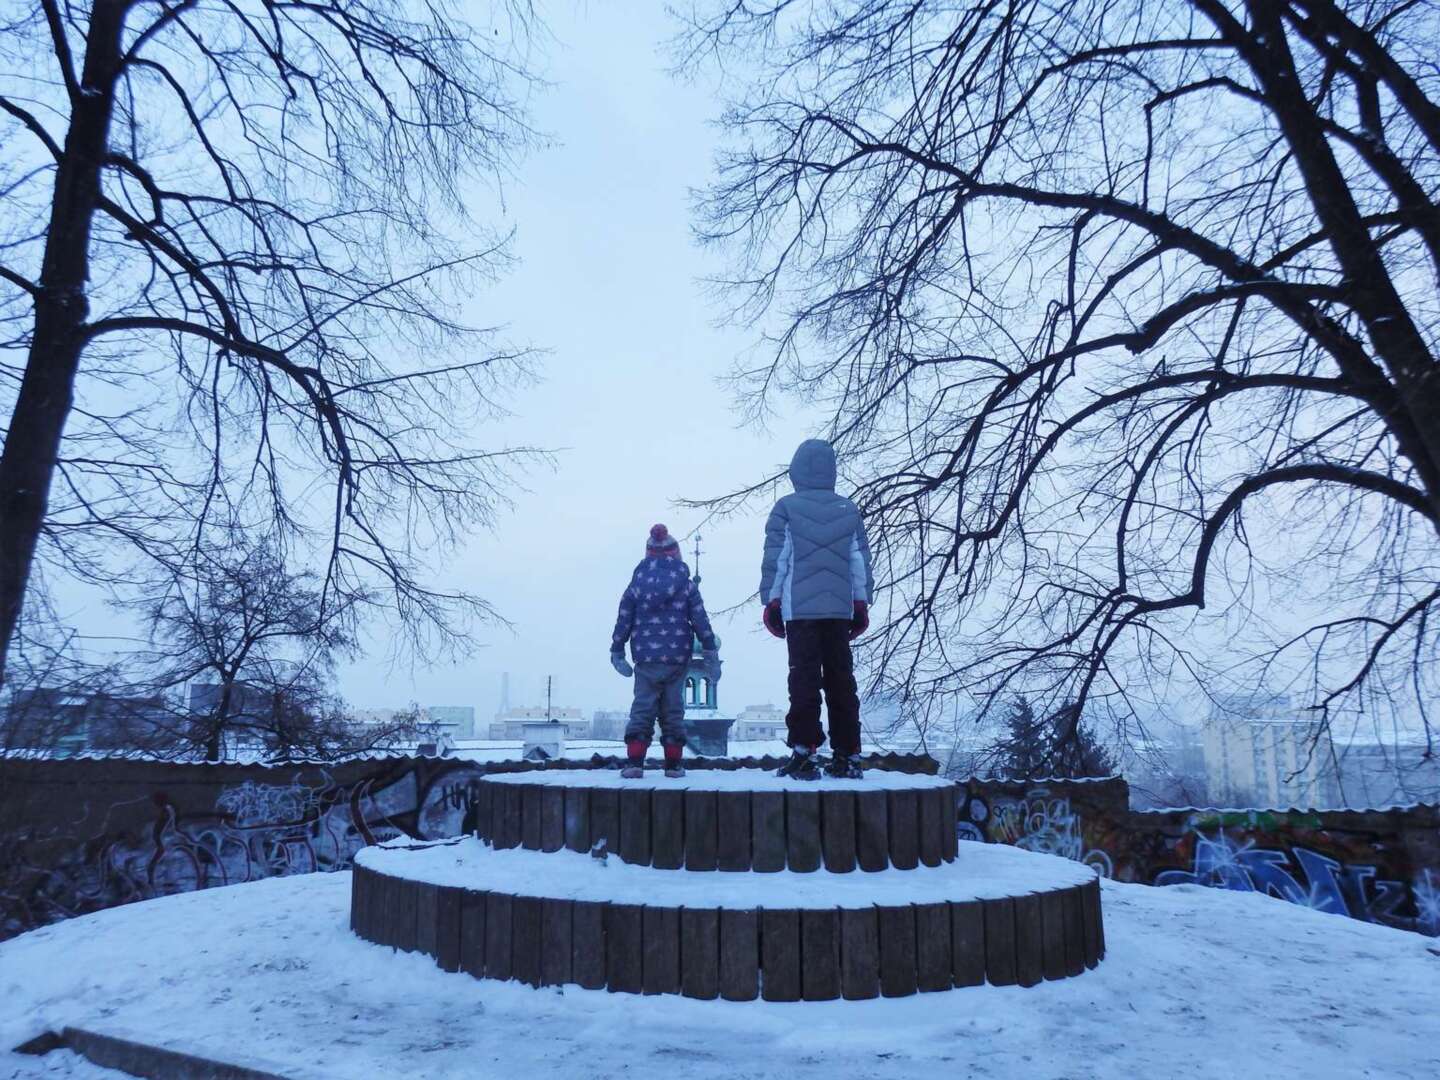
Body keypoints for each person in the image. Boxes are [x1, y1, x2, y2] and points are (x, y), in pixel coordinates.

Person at [758, 439, 874, 780]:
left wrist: (772, 601)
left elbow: (777, 560)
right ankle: (848, 755)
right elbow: (858, 561)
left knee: (804, 680)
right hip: (838, 611)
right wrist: (860, 602)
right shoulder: (848, 509)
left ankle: (804, 753)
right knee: (842, 680)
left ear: (796, 471)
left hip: (800, 612)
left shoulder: (786, 508)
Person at [610, 524, 721, 778]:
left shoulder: (636, 585)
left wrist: (617, 650)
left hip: (646, 657)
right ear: (676, 554)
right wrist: (709, 651)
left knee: (642, 708)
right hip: (677, 657)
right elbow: (700, 620)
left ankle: (635, 762)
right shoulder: (687, 586)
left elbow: (624, 618)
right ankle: (673, 765)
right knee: (673, 710)